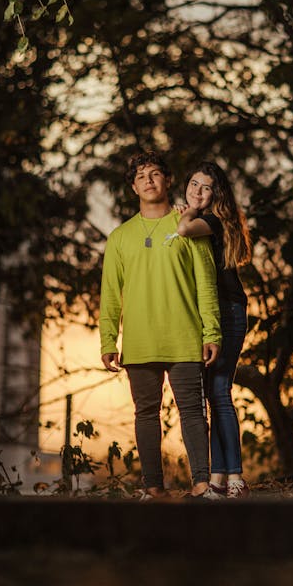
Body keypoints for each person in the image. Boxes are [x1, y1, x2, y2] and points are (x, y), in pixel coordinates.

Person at [100, 151, 222, 500]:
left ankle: (201, 484)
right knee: (146, 415)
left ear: (168, 181)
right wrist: (108, 340)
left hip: (184, 336)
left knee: (193, 412)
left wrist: (211, 331)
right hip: (139, 341)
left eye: (155, 174)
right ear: (133, 187)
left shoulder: (188, 224)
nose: (149, 181)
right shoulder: (120, 237)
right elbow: (110, 294)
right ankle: (153, 487)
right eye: (141, 177)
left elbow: (206, 282)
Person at [176, 161, 252, 498]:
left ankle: (234, 474)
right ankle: (219, 475)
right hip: (212, 314)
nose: (197, 191)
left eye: (205, 187)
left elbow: (182, 232)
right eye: (193, 183)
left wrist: (186, 213)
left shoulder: (211, 221)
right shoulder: (206, 218)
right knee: (214, 391)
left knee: (219, 390)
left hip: (229, 311)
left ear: (215, 194)